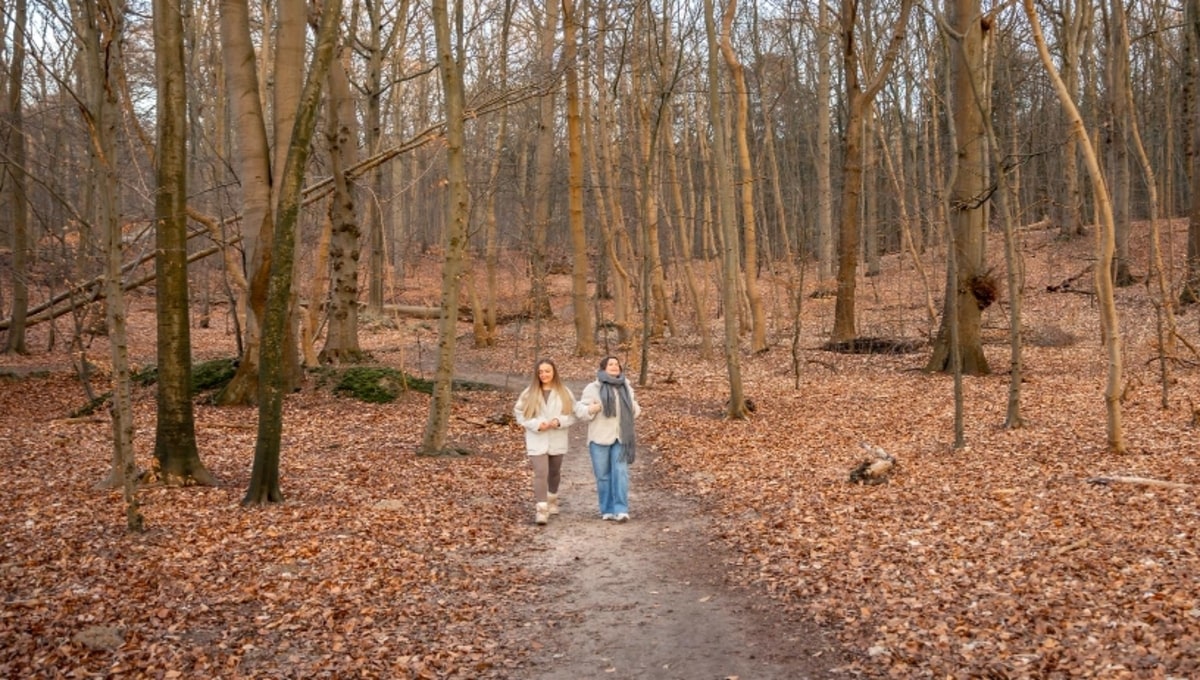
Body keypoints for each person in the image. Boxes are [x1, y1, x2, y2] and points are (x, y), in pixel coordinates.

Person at [575, 356, 641, 522]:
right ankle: (607, 509)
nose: (614, 366)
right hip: (599, 437)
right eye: (610, 364)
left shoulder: (626, 386)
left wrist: (632, 407)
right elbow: (581, 411)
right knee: (603, 476)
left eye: (616, 364)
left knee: (620, 471)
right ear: (603, 368)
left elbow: (636, 410)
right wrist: (593, 408)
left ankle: (621, 509)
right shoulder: (593, 388)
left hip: (621, 437)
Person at [514, 359, 577, 525]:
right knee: (541, 472)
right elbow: (519, 413)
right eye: (540, 372)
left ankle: (552, 499)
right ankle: (541, 510)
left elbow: (572, 414)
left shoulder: (564, 392)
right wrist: (536, 424)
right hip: (537, 438)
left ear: (554, 372)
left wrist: (559, 421)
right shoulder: (529, 392)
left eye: (547, 371)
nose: (544, 375)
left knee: (554, 472)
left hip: (557, 437)